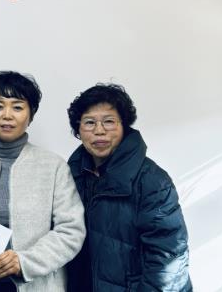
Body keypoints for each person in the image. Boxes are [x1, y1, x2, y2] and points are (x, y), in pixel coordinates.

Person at [0, 71, 85, 292]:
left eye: (17, 107)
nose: (7, 115)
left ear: (31, 114)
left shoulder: (53, 166)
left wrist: (24, 262)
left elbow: (71, 231)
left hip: (37, 285)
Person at [66, 83, 192, 292]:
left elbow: (168, 260)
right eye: (89, 122)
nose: (99, 131)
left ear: (124, 126)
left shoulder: (152, 181)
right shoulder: (69, 175)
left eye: (109, 121)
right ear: (78, 129)